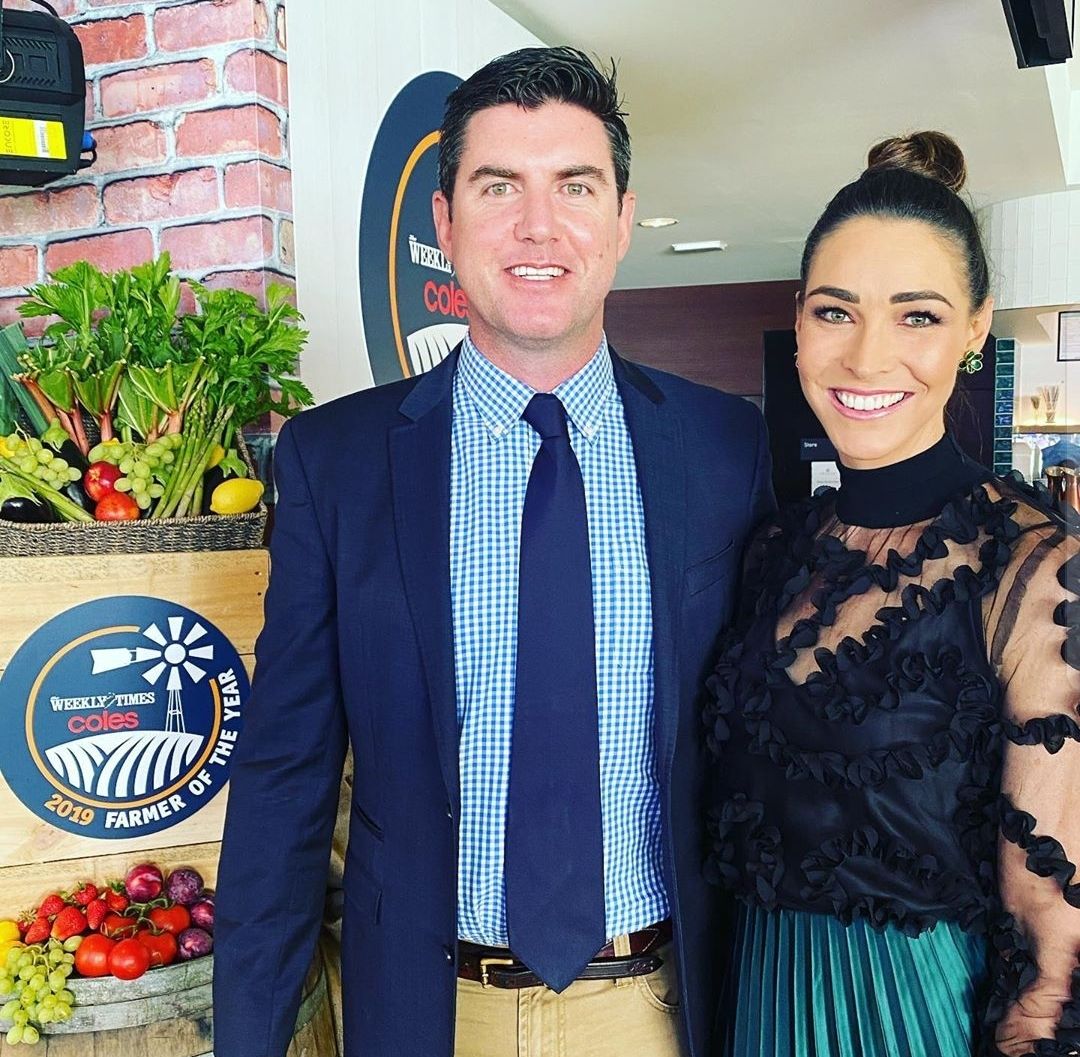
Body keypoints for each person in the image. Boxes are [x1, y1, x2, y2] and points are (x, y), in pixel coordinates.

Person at [213, 46, 774, 1057]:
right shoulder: (336, 461)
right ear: (445, 221)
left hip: (656, 1009)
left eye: (575, 186)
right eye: (498, 185)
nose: (538, 225)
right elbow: (285, 775)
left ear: (622, 218)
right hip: (425, 1013)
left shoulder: (725, 447)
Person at [704, 130, 1080, 1057]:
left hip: (913, 1019)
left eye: (917, 316)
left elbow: (1052, 933)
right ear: (799, 322)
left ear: (975, 328)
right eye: (836, 311)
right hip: (753, 999)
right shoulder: (778, 546)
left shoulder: (1031, 566)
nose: (868, 357)